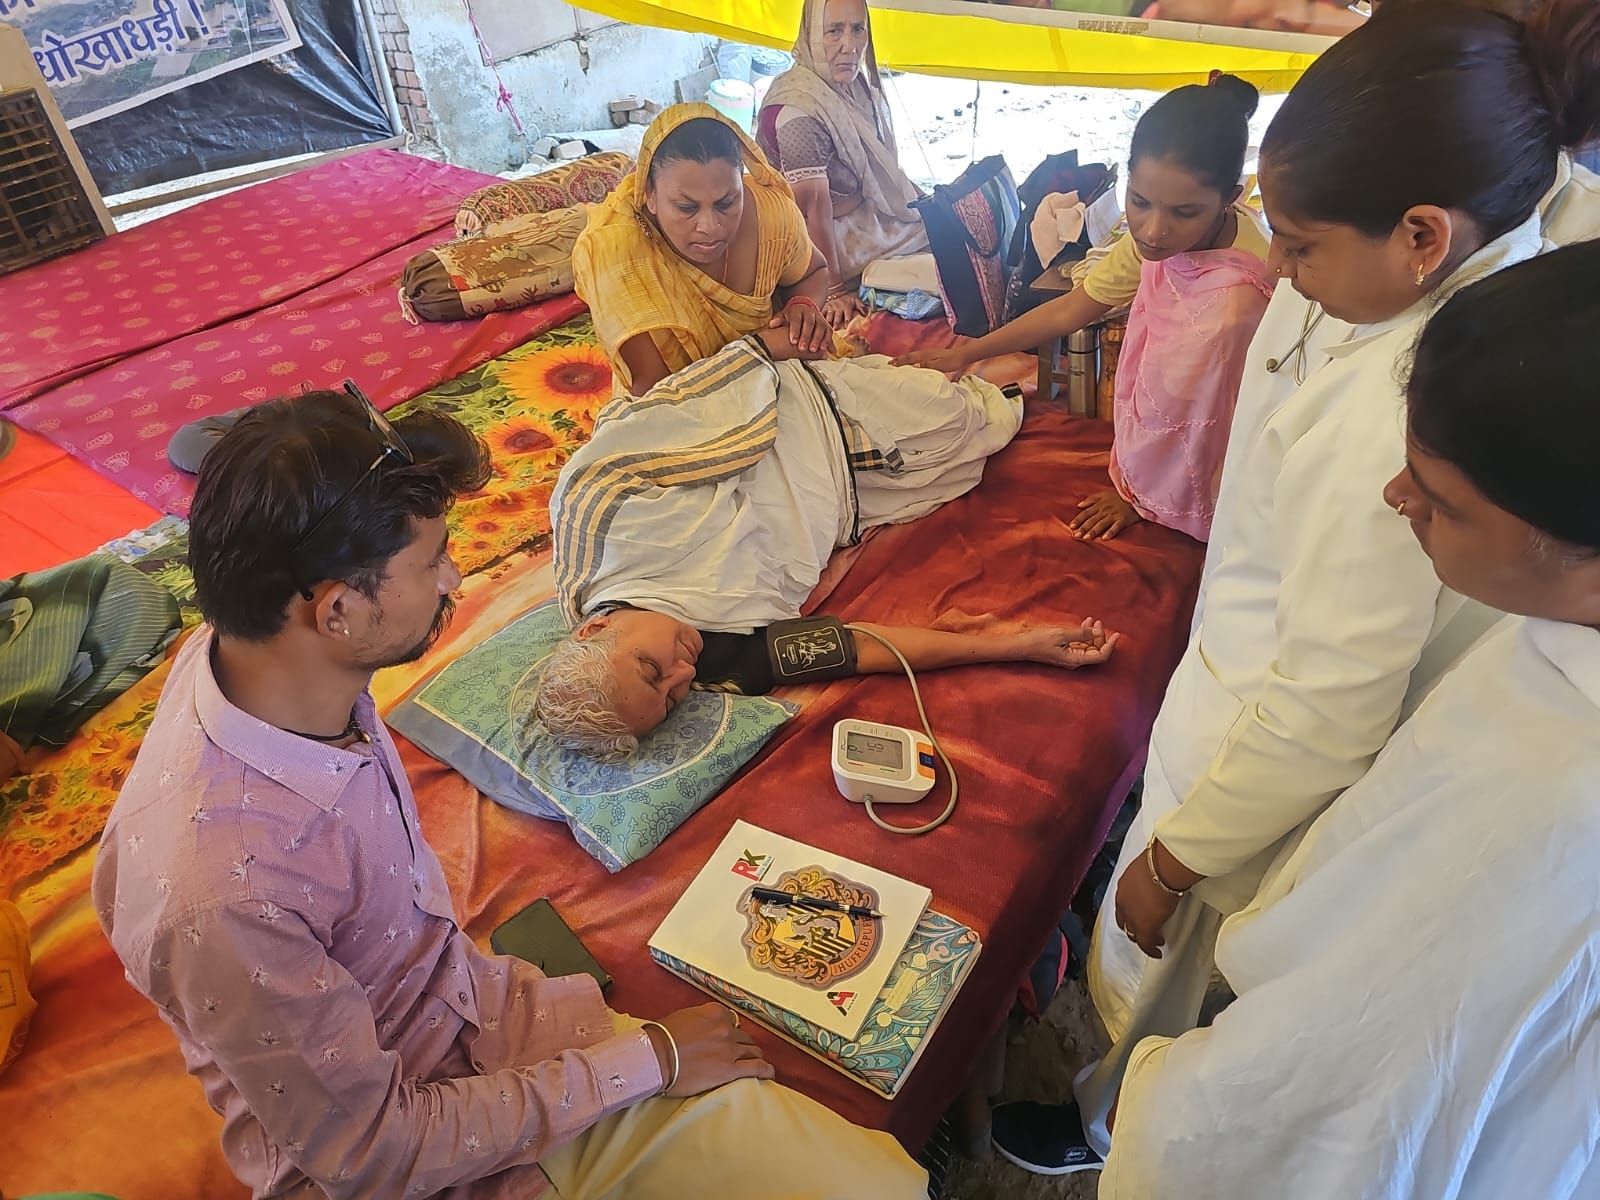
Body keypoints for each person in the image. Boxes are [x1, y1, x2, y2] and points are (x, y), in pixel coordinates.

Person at [988, 0, 1600, 1174]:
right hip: (1238, 690)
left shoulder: (1408, 416)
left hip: (1252, 759)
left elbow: (1328, 699)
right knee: (1165, 997)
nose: (1274, 266)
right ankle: (1109, 1105)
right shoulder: (1417, 284)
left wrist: (1175, 856)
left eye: (1301, 244)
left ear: (1422, 237)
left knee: (1175, 1008)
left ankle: (1106, 1129)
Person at [92, 388, 929, 1199]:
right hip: (419, 1156)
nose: (459, 577)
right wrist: (652, 1063)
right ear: (338, 610)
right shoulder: (225, 890)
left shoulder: (254, 655)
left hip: (478, 1020)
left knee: (861, 1169)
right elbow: (369, 1153)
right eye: (431, 562)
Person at [1101, 238, 1600, 1200]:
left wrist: (1166, 1109)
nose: (1394, 496)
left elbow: (1332, 1095)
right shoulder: (1552, 625)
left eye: (1442, 503)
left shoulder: (1548, 806)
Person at [534, 335, 1119, 754]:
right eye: (671, 700)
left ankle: (886, 369)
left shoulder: (601, 514)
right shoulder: (716, 659)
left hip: (796, 414)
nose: (681, 675)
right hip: (842, 498)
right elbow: (858, 649)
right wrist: (1021, 645)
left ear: (593, 629)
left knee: (953, 412)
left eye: (650, 668)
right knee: (971, 448)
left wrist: (765, 347)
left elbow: (661, 421)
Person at [898, 75, 1274, 543]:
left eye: (1184, 212)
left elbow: (1219, 410)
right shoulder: (1151, 245)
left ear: (1231, 199)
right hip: (1167, 416)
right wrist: (966, 353)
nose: (1154, 230)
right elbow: (1068, 311)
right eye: (1139, 203)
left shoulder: (1252, 285)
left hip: (1220, 438)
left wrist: (1143, 499)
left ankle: (1167, 502)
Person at [572, 104, 835, 397]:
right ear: (650, 195)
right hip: (678, 406)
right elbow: (655, 394)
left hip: (776, 373)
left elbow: (813, 270)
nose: (710, 227)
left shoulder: (772, 213)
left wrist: (803, 304)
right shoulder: (617, 253)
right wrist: (768, 346)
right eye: (687, 207)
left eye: (726, 203)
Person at [756, 0, 929, 329]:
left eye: (857, 29)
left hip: (862, 214)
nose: (849, 46)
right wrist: (833, 292)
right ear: (810, 34)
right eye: (834, 31)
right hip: (822, 239)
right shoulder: (798, 112)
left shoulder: (852, 83)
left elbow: (882, 169)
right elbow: (810, 212)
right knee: (939, 252)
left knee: (946, 224)